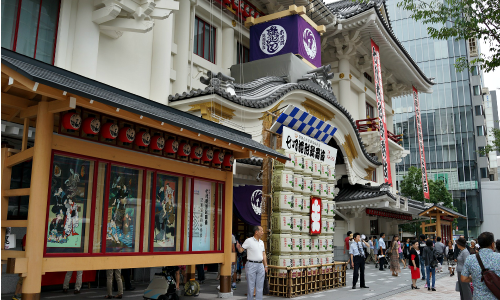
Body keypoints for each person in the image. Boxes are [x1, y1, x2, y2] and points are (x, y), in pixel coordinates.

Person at [461, 232, 500, 300]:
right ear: (493, 244)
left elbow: (463, 278)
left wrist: (475, 277)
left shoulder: (470, 259)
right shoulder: (498, 257)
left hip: (478, 297)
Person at [236, 226, 268, 300]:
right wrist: (238, 247)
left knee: (260, 286)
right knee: (251, 285)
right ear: (256, 232)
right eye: (261, 231)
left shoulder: (262, 242)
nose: (263, 232)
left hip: (260, 265)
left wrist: (265, 266)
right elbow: (241, 250)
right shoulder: (249, 241)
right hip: (251, 265)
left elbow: (264, 254)